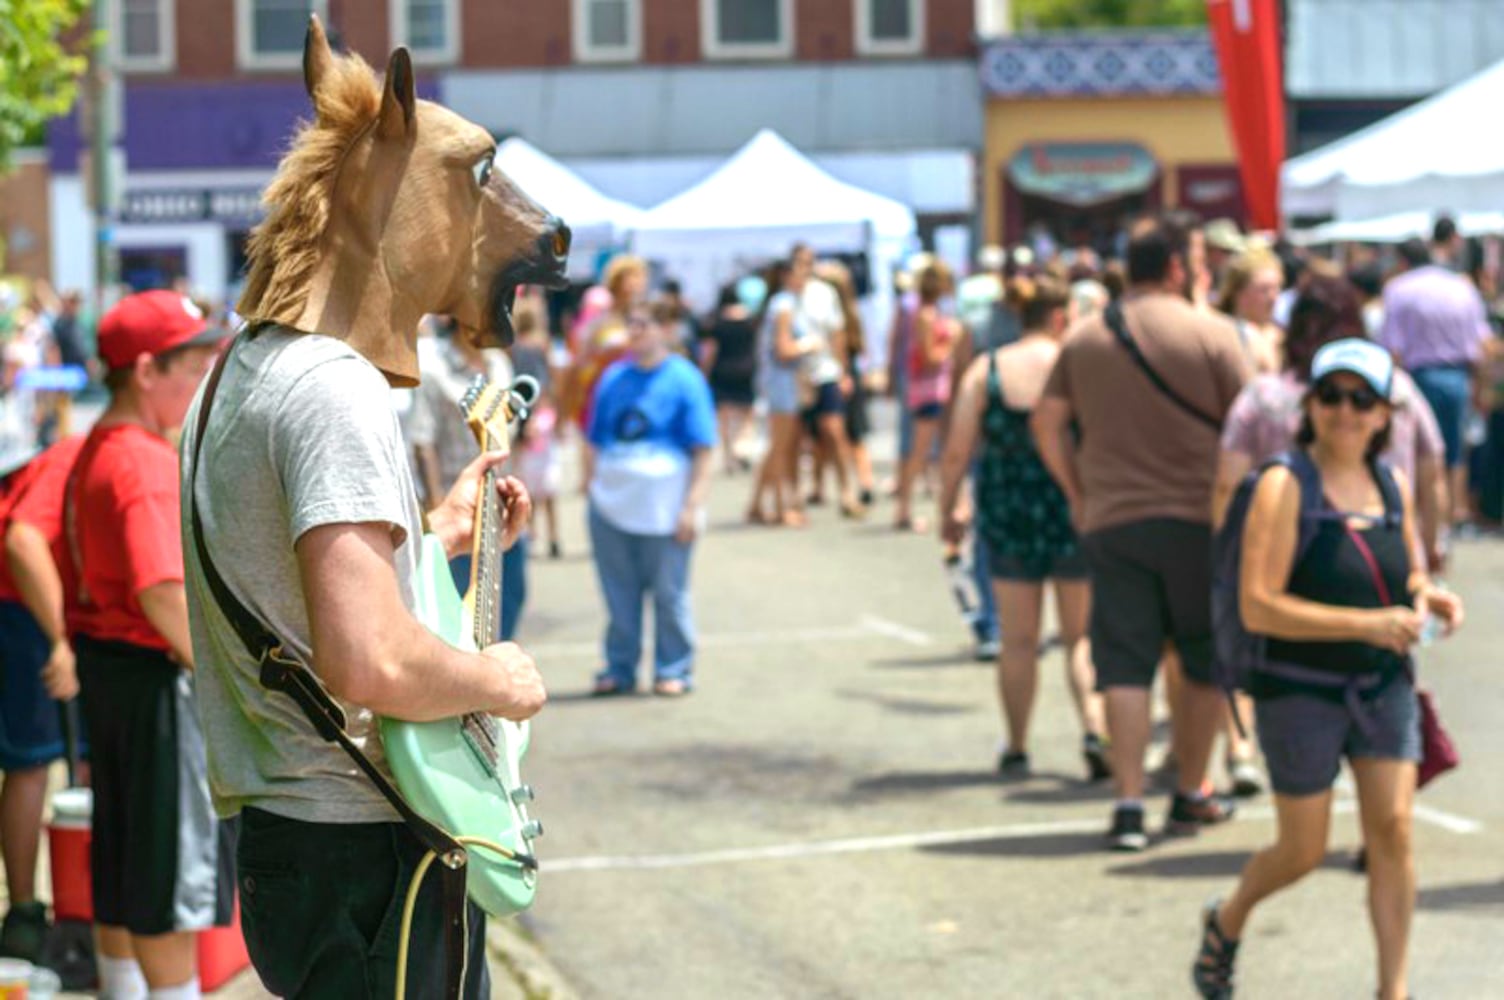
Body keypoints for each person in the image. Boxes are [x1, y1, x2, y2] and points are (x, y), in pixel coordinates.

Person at [1192, 339, 1464, 1000]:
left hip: (1382, 686)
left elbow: (1405, 572)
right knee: (1302, 850)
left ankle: (1392, 989)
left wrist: (1427, 596)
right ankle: (1228, 918)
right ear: (1310, 406)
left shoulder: (1392, 486)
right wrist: (1365, 625)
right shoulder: (1285, 485)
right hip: (1300, 690)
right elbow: (1259, 605)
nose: (1346, 411)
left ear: (1384, 415)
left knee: (1393, 832)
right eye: (1332, 396)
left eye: (1361, 399)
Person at [1032, 214, 1249, 852]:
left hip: (1113, 519)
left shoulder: (1086, 337)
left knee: (1124, 667)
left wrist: (1078, 493)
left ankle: (1127, 804)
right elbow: (1250, 427)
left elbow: (1046, 423)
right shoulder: (1213, 333)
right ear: (1177, 267)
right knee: (1201, 661)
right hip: (1200, 521)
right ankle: (1188, 792)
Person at [66, 291, 229, 997]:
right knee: (166, 879)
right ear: (144, 371)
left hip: (111, 672)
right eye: (189, 370)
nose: (198, 386)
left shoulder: (97, 448)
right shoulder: (141, 462)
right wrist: (224, 678)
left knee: (124, 861)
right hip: (155, 682)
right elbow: (161, 588)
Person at [940, 275, 1108, 782]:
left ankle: (1016, 744)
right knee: (1080, 637)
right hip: (1072, 509)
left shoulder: (987, 369)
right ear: (1060, 317)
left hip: (1008, 512)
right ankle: (1094, 729)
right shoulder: (1077, 366)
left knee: (1018, 640)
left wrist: (950, 507)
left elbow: (956, 451)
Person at [586, 300, 716, 697]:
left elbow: (704, 449)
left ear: (666, 329)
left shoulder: (685, 379)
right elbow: (594, 438)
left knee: (670, 593)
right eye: (632, 324)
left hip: (665, 508)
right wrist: (592, 487)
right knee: (618, 594)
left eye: (644, 324)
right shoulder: (613, 377)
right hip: (613, 504)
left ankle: (674, 668)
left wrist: (691, 507)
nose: (635, 332)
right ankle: (619, 667)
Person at [0, 435, 85, 962]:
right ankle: (27, 914)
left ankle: (80, 909)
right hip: (23, 609)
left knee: (67, 761)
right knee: (32, 764)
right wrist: (58, 639)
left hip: (41, 610)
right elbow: (22, 542)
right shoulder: (79, 451)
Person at [1379, 236, 1493, 527]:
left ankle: (1421, 515)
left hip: (1416, 378)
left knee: (1416, 448)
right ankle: (1453, 515)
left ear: (1402, 261)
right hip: (1457, 378)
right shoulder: (1462, 287)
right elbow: (1480, 344)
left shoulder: (1398, 289)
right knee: (1455, 452)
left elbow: (1391, 347)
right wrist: (1482, 387)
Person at [894, 261, 960, 532]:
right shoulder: (926, 315)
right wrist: (952, 342)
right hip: (927, 390)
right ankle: (904, 510)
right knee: (919, 452)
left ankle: (942, 507)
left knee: (932, 451)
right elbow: (930, 357)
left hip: (934, 389)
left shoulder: (929, 312)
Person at [510, 305, 564, 560]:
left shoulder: (513, 348)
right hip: (542, 411)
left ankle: (529, 534)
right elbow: (551, 378)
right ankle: (553, 536)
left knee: (525, 481)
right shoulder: (542, 344)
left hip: (520, 410)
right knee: (549, 486)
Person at [701, 282, 760, 476]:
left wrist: (704, 372)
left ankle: (728, 455)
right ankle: (742, 446)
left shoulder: (717, 321)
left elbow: (711, 350)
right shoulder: (750, 318)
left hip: (723, 370)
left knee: (724, 417)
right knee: (747, 414)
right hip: (746, 369)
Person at [1217, 247, 1285, 375]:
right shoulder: (1220, 335)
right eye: (1264, 289)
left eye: (1277, 288)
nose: (1273, 298)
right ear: (1237, 292)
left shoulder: (1280, 338)